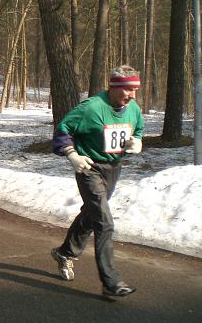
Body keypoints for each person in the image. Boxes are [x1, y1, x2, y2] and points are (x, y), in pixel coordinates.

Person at [51, 65, 144, 299]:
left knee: (92, 215)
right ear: (113, 87)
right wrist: (72, 154)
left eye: (135, 90)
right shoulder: (91, 108)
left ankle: (65, 252)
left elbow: (138, 130)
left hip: (114, 168)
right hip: (89, 167)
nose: (132, 95)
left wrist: (137, 141)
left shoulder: (133, 109)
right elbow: (62, 129)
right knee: (104, 221)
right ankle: (111, 282)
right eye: (128, 90)